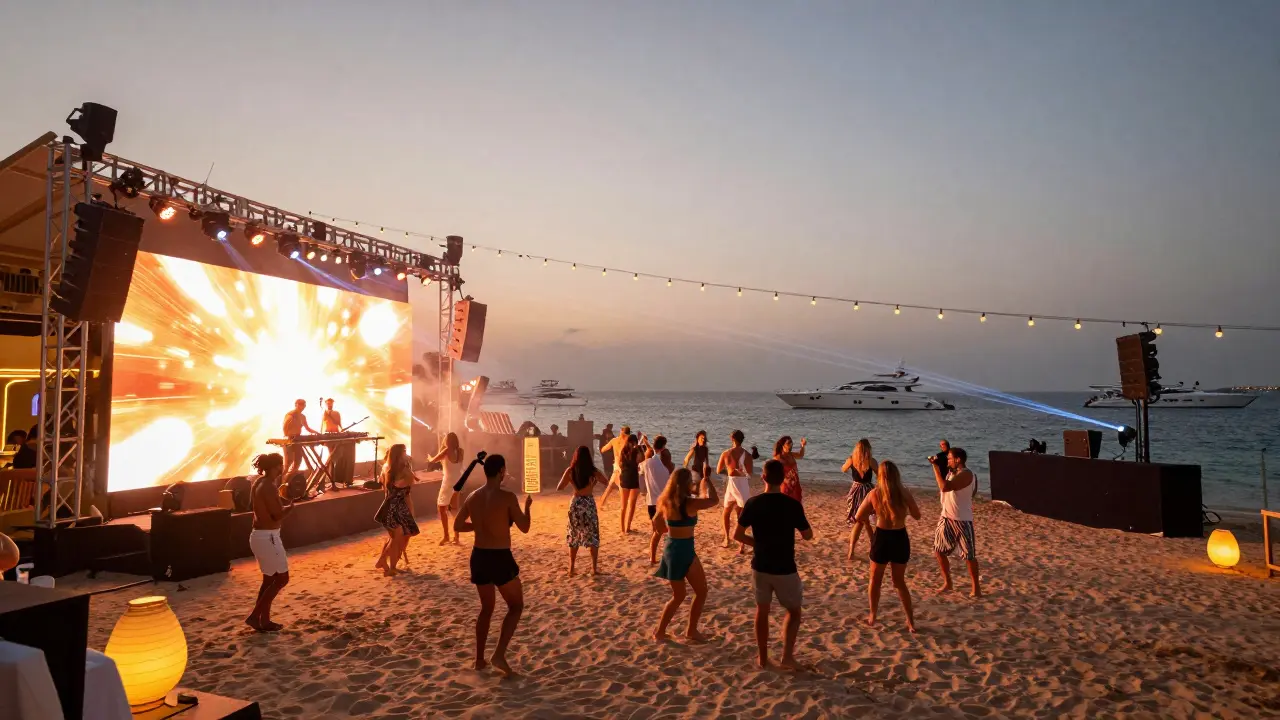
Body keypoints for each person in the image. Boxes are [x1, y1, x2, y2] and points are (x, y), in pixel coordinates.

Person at [454, 455, 532, 676]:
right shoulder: (507, 497)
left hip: (479, 556)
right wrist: (527, 507)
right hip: (499, 557)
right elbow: (524, 527)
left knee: (486, 609)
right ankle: (498, 654)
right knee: (515, 606)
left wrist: (478, 526)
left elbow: (457, 525)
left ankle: (479, 659)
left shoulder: (473, 496)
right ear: (501, 472)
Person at [734, 459, 813, 669]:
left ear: (763, 477)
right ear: (784, 478)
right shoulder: (792, 505)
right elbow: (807, 535)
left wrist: (758, 544)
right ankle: (787, 657)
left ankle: (762, 658)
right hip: (784, 566)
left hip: (760, 565)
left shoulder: (753, 503)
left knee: (762, 610)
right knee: (794, 611)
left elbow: (737, 535)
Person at [652, 468, 719, 642]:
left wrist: (671, 529)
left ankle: (660, 632)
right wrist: (707, 480)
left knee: (678, 596)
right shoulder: (690, 503)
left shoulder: (664, 501)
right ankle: (691, 630)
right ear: (686, 484)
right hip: (685, 549)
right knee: (701, 592)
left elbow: (656, 524)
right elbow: (714, 500)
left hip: (670, 549)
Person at [854, 460, 921, 632]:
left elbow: (858, 515)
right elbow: (917, 515)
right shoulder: (904, 492)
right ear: (896, 475)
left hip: (882, 537)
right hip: (900, 537)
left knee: (875, 580)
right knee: (899, 582)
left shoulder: (874, 493)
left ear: (880, 476)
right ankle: (910, 621)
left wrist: (869, 523)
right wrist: (903, 510)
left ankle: (873, 615)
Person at [247, 453, 292, 632]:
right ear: (277, 466)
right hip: (269, 538)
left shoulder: (258, 482)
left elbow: (261, 507)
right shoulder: (269, 486)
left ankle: (264, 621)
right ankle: (254, 616)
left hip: (258, 536)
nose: (283, 468)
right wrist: (291, 507)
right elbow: (277, 515)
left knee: (269, 580)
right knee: (282, 579)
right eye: (281, 465)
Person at [932, 446, 982, 597]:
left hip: (962, 520)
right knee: (938, 551)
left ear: (958, 459)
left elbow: (945, 487)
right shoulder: (952, 473)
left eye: (949, 458)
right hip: (946, 518)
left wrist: (935, 468)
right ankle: (948, 582)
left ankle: (976, 588)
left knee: (969, 556)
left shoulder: (967, 474)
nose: (947, 461)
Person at [557, 446, 606, 576]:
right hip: (588, 503)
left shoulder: (570, 471)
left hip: (576, 503)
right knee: (593, 535)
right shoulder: (593, 471)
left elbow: (559, 487)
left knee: (574, 535)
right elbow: (606, 481)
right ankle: (594, 568)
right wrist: (593, 484)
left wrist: (572, 483)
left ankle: (571, 568)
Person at [374, 444, 418, 576]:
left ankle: (386, 563)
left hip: (394, 505)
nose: (406, 454)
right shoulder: (399, 470)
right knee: (396, 538)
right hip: (396, 507)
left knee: (397, 537)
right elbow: (408, 485)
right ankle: (388, 564)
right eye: (404, 452)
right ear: (399, 455)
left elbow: (389, 490)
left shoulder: (391, 468)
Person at [716, 430, 754, 553]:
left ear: (732, 439)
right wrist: (739, 473)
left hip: (732, 485)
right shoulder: (747, 455)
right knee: (741, 515)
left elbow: (718, 470)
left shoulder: (725, 453)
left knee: (726, 512)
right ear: (742, 440)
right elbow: (750, 474)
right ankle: (741, 543)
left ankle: (727, 539)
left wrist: (730, 472)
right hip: (742, 485)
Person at [843, 438, 879, 561]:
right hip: (868, 491)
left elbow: (843, 469)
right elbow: (880, 475)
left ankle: (852, 551)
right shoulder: (871, 461)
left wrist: (849, 464)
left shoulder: (852, 459)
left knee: (861, 521)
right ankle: (873, 548)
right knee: (864, 521)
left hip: (856, 491)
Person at [641, 435, 674, 564]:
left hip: (651, 503)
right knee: (662, 532)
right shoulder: (667, 470)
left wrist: (645, 443)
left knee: (657, 531)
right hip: (663, 504)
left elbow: (651, 454)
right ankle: (659, 557)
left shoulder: (648, 463)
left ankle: (653, 557)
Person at [428, 433, 464, 545]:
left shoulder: (446, 451)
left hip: (448, 482)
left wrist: (429, 457)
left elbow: (433, 460)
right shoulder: (461, 451)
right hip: (458, 480)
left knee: (442, 508)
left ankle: (446, 536)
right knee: (454, 509)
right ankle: (456, 537)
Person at [617, 434, 647, 534]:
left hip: (624, 478)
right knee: (632, 505)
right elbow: (642, 459)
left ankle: (622, 529)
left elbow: (620, 464)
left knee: (623, 506)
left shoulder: (623, 451)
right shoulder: (636, 451)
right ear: (634, 442)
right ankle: (627, 528)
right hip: (634, 478)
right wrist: (640, 449)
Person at [282, 399, 318, 477]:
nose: (302, 406)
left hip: (298, 439)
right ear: (296, 405)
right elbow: (285, 426)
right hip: (290, 439)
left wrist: (317, 433)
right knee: (288, 462)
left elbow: (307, 428)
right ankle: (280, 480)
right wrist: (288, 435)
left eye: (303, 405)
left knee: (298, 462)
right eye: (300, 404)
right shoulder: (290, 414)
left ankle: (288, 479)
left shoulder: (302, 416)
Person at [598, 425, 630, 509]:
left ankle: (601, 504)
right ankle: (624, 507)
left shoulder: (614, 440)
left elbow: (603, 450)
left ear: (621, 432)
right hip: (622, 468)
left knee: (611, 486)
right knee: (621, 487)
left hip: (616, 467)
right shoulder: (628, 443)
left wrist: (606, 442)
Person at [773, 436, 807, 503]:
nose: (791, 445)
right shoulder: (778, 458)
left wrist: (803, 446)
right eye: (788, 443)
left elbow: (800, 455)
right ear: (782, 445)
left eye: (791, 443)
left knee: (797, 503)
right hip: (786, 485)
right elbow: (775, 474)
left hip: (795, 484)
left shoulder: (791, 454)